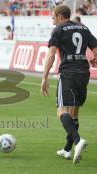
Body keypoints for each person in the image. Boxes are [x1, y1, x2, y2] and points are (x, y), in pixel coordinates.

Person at [41, 5, 97, 164]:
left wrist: (44, 77)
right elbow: (96, 50)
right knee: (74, 113)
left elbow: (51, 54)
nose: (53, 21)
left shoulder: (58, 30)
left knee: (61, 111)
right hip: (84, 73)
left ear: (59, 16)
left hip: (68, 73)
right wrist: (94, 59)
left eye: (53, 17)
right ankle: (67, 149)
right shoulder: (83, 28)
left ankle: (78, 140)